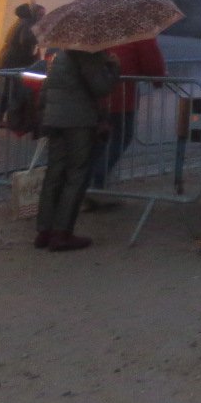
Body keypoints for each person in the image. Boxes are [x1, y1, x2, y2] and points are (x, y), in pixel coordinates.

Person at [35, 44, 120, 251]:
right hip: (78, 121)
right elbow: (101, 87)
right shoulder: (87, 54)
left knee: (54, 174)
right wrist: (114, 67)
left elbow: (46, 89)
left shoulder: (59, 55)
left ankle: (44, 231)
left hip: (54, 119)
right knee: (76, 176)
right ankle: (62, 234)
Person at [87, 34, 168, 205]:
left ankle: (85, 187)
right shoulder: (138, 32)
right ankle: (94, 186)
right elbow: (152, 64)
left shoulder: (99, 28)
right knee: (120, 138)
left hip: (90, 96)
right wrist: (159, 79)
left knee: (96, 142)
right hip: (119, 97)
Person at [0, 2, 45, 69]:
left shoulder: (21, 22)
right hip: (16, 60)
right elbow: (26, 41)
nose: (42, 18)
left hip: (8, 57)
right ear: (33, 14)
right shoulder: (28, 24)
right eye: (40, 15)